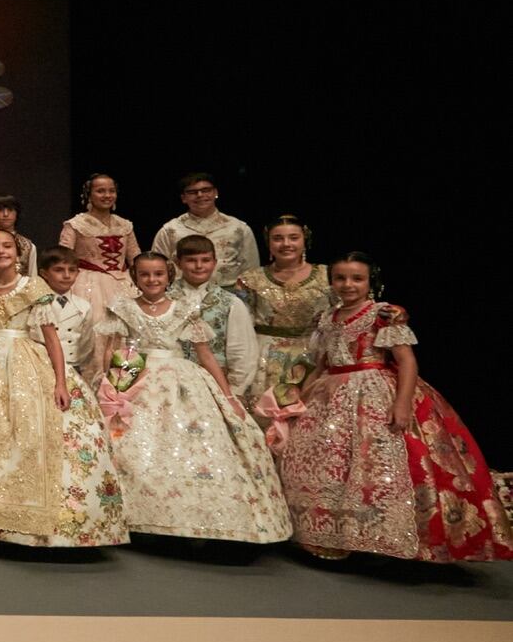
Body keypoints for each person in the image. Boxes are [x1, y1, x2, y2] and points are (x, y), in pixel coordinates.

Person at [279, 252, 512, 562]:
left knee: (375, 463)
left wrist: (402, 405)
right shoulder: (326, 318)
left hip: (373, 391)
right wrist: (302, 399)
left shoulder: (383, 315)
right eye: (340, 278)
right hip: (329, 392)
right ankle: (330, 535)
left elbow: (406, 361)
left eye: (357, 278)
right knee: (327, 464)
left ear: (370, 282)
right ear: (331, 281)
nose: (348, 284)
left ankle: (381, 537)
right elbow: (322, 363)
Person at [0, 230, 126, 547]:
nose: (0, 252)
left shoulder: (33, 287)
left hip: (22, 358)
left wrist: (61, 381)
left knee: (22, 429)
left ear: (18, 252)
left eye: (6, 246)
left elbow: (51, 338)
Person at [90, 252, 289, 543]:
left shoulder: (184, 308)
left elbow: (205, 354)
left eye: (158, 274)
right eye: (145, 274)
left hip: (181, 380)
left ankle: (194, 519)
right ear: (135, 278)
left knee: (194, 444)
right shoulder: (123, 307)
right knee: (131, 441)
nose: (152, 280)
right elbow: (114, 349)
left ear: (169, 275)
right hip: (137, 376)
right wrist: (113, 383)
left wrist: (227, 394)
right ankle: (134, 516)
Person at [234, 215, 334, 421]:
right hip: (264, 355)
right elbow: (239, 322)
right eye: (278, 238)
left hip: (313, 354)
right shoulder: (250, 279)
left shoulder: (328, 275)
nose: (286, 244)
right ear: (269, 243)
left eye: (293, 238)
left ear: (304, 240)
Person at [171, 235, 259, 404]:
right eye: (191, 260)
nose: (199, 266)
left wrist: (234, 391)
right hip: (174, 383)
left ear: (214, 262)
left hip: (216, 387)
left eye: (205, 260)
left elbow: (242, 350)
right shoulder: (165, 300)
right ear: (178, 262)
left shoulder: (230, 302)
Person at [150, 171, 259, 288]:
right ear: (183, 198)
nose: (200, 195)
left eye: (206, 190)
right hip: (180, 297)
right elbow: (156, 267)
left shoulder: (238, 228)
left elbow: (251, 271)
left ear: (215, 193)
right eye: (192, 192)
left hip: (229, 295)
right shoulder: (170, 230)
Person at [57, 174, 140, 319]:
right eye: (100, 191)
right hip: (87, 285)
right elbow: (63, 258)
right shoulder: (76, 225)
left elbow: (136, 259)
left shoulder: (124, 225)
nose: (107, 195)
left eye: (111, 191)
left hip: (124, 283)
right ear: (89, 195)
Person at [32, 248, 94, 375]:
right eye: (59, 270)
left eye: (72, 270)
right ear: (44, 273)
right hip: (40, 366)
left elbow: (87, 343)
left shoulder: (83, 306)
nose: (66, 275)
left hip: (72, 366)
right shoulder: (36, 304)